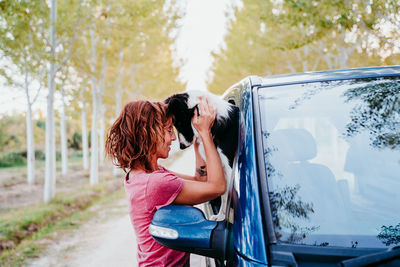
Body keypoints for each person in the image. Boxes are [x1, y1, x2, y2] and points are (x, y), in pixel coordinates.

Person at [105, 97, 225, 267]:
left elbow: (201, 181)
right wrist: (206, 134)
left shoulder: (145, 174)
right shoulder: (155, 183)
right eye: (169, 130)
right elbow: (217, 187)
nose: (173, 138)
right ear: (149, 134)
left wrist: (198, 140)